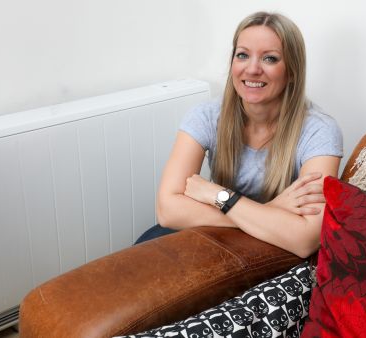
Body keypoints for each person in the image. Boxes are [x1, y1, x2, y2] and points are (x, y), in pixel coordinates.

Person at [127, 11, 343, 338]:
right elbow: (167, 209)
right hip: (217, 236)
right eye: (242, 55)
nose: (252, 69)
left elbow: (304, 239)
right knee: (138, 262)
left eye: (269, 58)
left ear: (292, 72)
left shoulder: (320, 131)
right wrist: (270, 212)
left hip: (274, 253)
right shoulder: (207, 115)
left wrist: (217, 195)